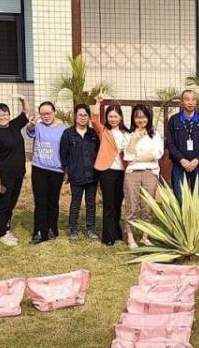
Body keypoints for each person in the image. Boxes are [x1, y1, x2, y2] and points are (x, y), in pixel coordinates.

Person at [0, 95, 31, 246]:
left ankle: (6, 228)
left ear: (9, 115)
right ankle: (1, 234)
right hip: (2, 177)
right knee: (2, 204)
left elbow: (26, 113)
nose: (2, 117)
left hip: (17, 175)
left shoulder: (14, 126)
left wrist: (23, 100)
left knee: (11, 203)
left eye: (5, 114)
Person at [27, 101, 68, 244]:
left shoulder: (64, 129)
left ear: (54, 112)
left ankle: (52, 228)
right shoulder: (38, 127)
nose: (46, 116)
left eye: (48, 113)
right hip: (39, 168)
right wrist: (31, 124)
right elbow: (29, 130)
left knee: (53, 201)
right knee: (40, 201)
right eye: (43, 114)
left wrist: (66, 169)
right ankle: (39, 231)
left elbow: (66, 150)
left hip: (57, 170)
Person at [123, 104, 164, 249]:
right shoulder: (128, 134)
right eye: (137, 117)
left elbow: (157, 154)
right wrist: (134, 138)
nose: (141, 120)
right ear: (133, 118)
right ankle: (130, 237)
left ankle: (145, 236)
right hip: (132, 173)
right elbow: (128, 155)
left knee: (148, 205)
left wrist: (138, 159)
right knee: (131, 205)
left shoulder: (155, 135)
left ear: (149, 117)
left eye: (144, 116)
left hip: (150, 172)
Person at [59, 104, 99, 242]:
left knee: (91, 203)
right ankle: (73, 230)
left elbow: (99, 152)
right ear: (75, 116)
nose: (82, 118)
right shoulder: (68, 134)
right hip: (75, 174)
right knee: (75, 202)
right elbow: (63, 154)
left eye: (85, 115)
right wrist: (66, 171)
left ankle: (90, 229)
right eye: (80, 115)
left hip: (92, 175)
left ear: (88, 117)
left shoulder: (93, 134)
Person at [90, 97, 127, 247]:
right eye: (110, 116)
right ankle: (108, 236)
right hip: (107, 171)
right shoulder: (103, 131)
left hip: (122, 171)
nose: (112, 119)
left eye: (115, 116)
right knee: (109, 204)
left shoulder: (126, 133)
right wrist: (98, 103)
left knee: (118, 203)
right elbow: (93, 119)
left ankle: (117, 232)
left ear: (120, 117)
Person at [165, 89, 199, 202]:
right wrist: (181, 160)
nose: (190, 102)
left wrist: (197, 160)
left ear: (196, 102)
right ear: (181, 102)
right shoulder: (174, 120)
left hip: (198, 165)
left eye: (193, 99)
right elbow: (170, 143)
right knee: (179, 198)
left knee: (198, 198)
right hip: (179, 165)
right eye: (187, 99)